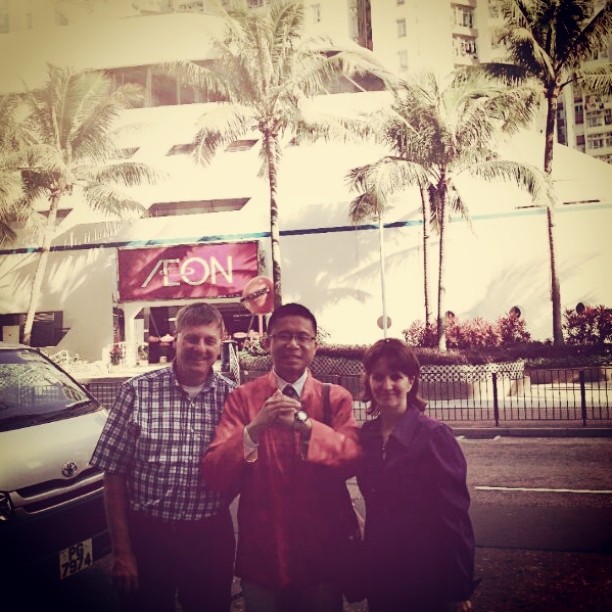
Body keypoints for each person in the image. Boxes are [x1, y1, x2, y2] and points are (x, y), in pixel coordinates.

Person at [202, 302, 360, 612]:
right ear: (267, 343)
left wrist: (305, 425)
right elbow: (215, 472)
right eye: (283, 336)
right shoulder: (243, 398)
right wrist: (254, 428)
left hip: (321, 552)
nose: (293, 344)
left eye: (302, 337)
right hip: (263, 553)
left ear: (315, 345)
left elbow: (352, 457)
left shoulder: (335, 397)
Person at [90, 302, 236, 612]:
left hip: (210, 537)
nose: (200, 348)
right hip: (148, 537)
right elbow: (113, 475)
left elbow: (244, 465)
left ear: (220, 344)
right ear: (175, 337)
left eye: (210, 340)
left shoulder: (232, 397)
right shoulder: (137, 392)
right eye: (192, 338)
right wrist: (122, 552)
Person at [357, 338, 478, 612]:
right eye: (378, 376)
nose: (386, 385)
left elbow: (454, 516)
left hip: (425, 573)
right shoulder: (367, 436)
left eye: (395, 376)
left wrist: (458, 586)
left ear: (410, 381)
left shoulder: (434, 436)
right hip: (382, 572)